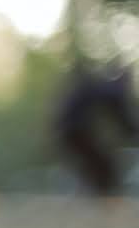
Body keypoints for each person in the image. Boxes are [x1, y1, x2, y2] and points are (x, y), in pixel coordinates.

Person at [49, 60, 139, 196]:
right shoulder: (113, 90)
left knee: (96, 162)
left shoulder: (99, 85)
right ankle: (104, 198)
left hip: (66, 129)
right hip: (73, 129)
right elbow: (123, 119)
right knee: (104, 164)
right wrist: (133, 133)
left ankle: (96, 195)